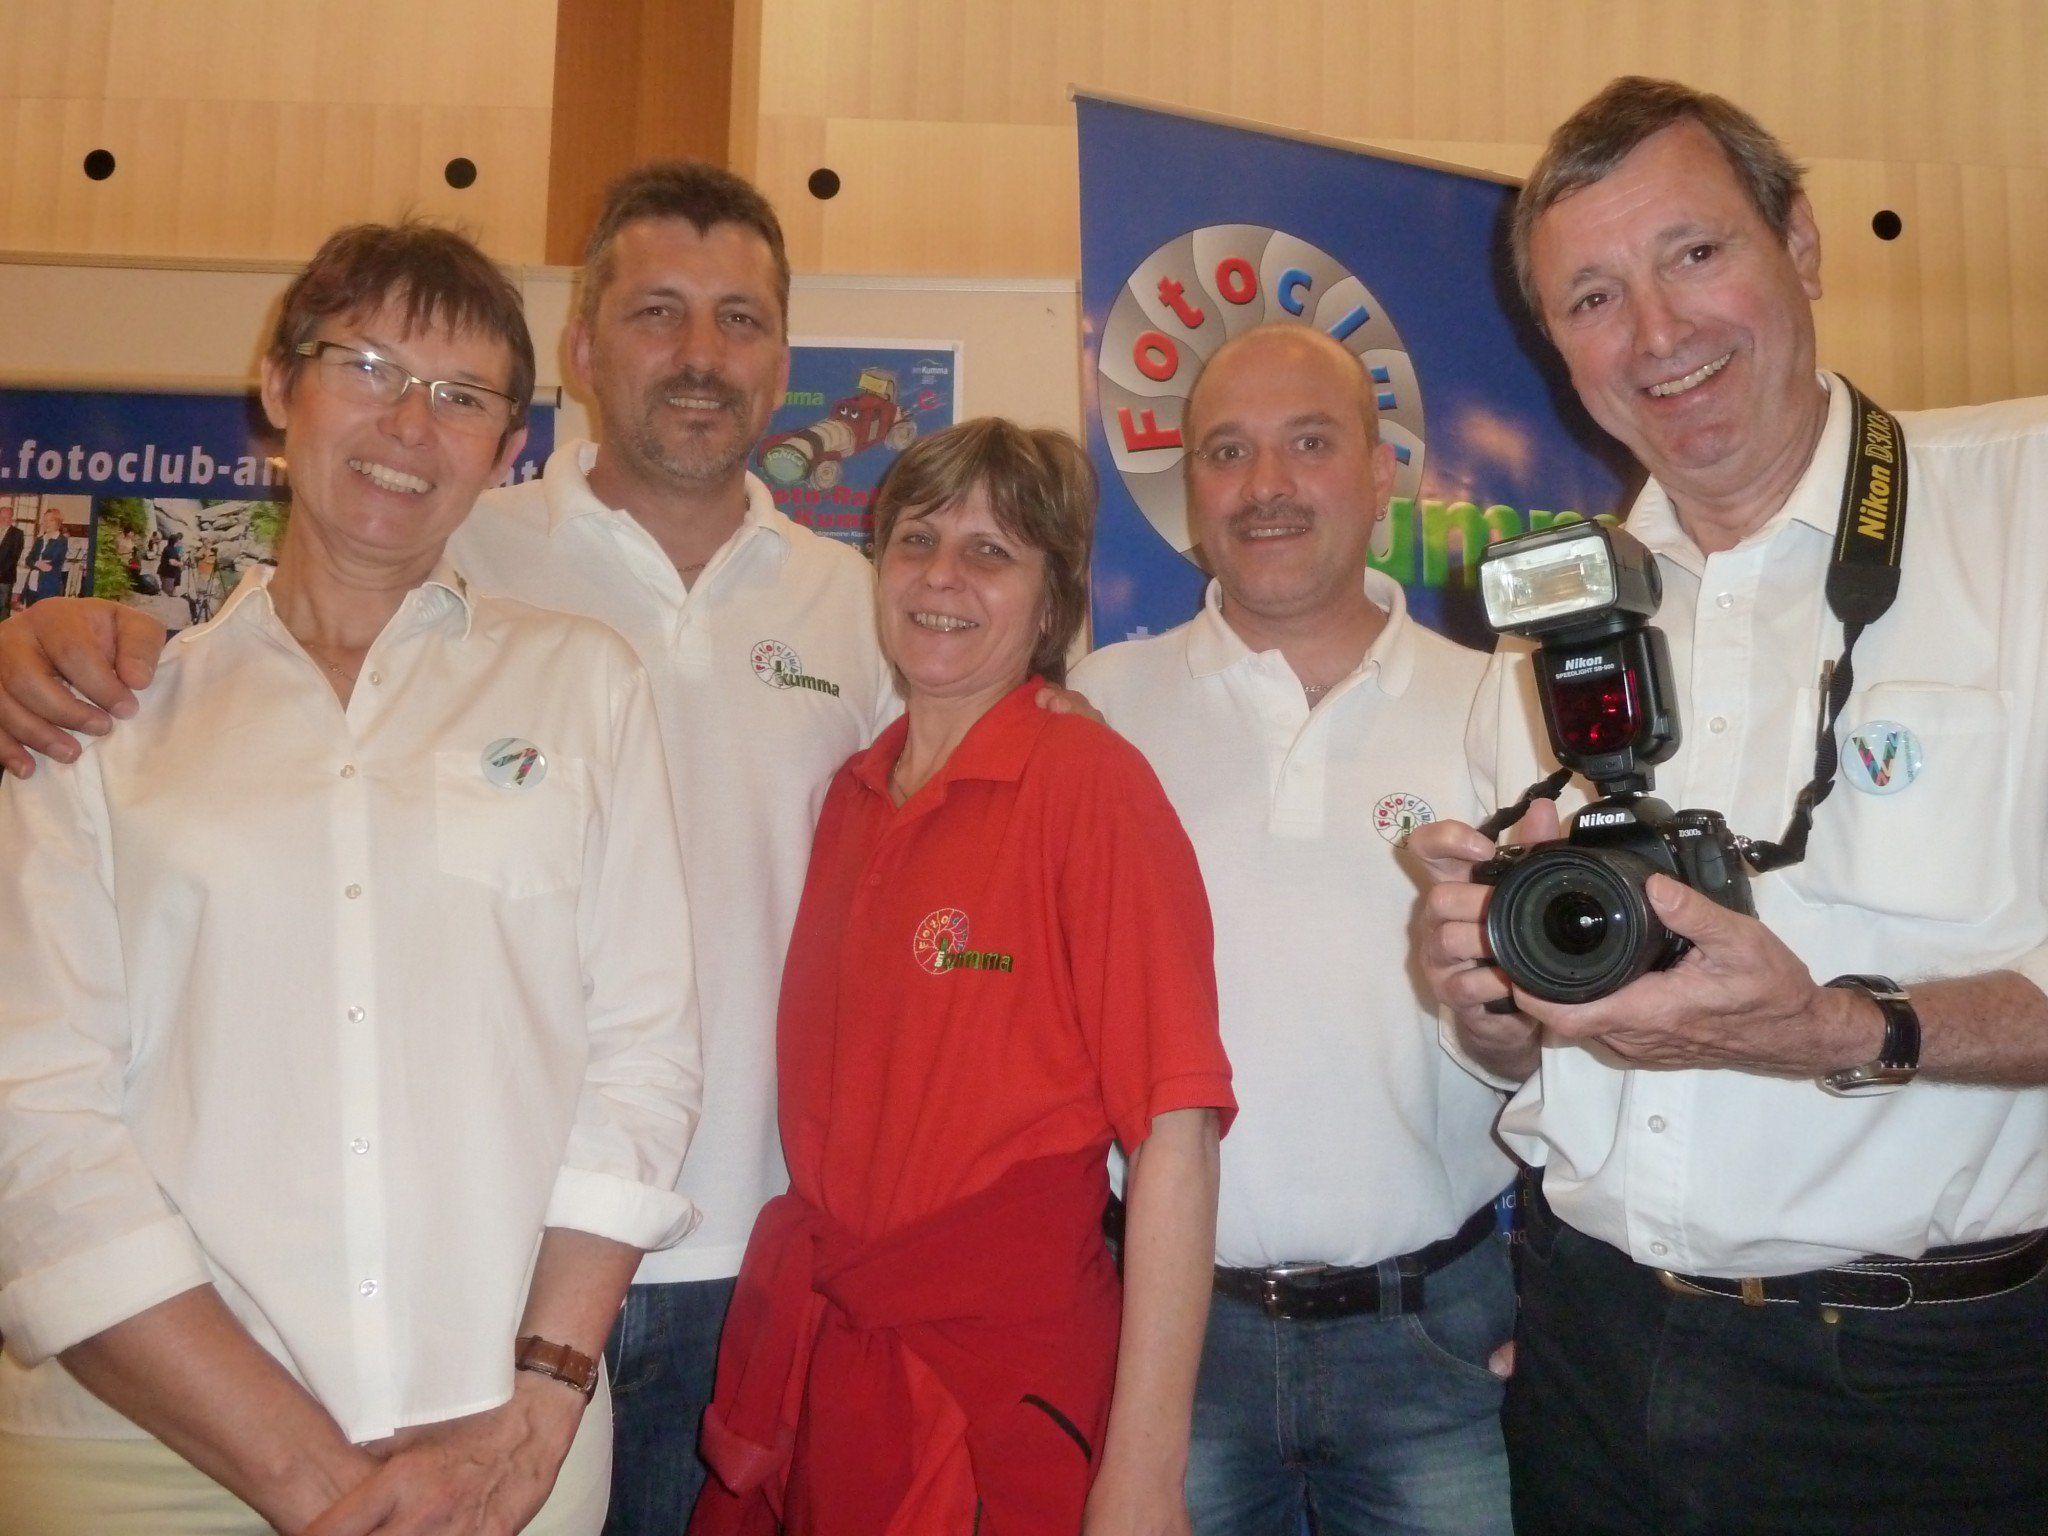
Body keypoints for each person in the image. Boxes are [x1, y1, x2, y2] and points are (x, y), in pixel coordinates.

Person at [1412, 76, 2048, 1534]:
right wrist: (1486, 1001)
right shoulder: (1543, 636)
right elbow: (1521, 1059)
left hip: (1925, 1387)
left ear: (1801, 244)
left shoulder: (2024, 511)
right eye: (1591, 297)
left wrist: (1836, 1028)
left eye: (1693, 253)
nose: (1655, 334)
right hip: (1591, 1351)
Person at [0, 222, 704, 1536]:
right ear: (280, 384)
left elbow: (642, 1059)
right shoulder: (103, 713)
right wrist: (315, 1483)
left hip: (501, 1452)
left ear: (508, 447)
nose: (410, 425)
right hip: (147, 1457)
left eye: (462, 396)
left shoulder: (581, 684)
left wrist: (542, 1400)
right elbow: (36, 1120)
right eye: (368, 366)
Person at [690, 418, 1235, 1536]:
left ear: (1052, 603)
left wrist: (1144, 1471)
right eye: (916, 540)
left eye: (991, 551)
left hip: (1002, 1391)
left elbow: (1176, 1135)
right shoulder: (852, 794)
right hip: (840, 1365)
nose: (942, 575)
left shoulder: (1088, 784)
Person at [1071, 323, 1515, 1536]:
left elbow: (1588, 1047)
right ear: (1189, 489)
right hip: (1164, 1350)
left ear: (1382, 473)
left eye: (1308, 444)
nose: (1264, 485)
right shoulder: (1099, 709)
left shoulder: (1498, 708)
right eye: (1227, 451)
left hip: (1440, 1346)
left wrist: (1578, 1309)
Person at [23, 508, 70, 606]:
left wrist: (34, 562)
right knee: (31, 613)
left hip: (49, 587)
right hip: (32, 584)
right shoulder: (39, 540)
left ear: (58, 522)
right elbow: (28, 560)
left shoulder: (61, 541)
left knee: (45, 614)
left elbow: (50, 563)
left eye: (50, 520)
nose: (46, 523)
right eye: (44, 520)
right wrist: (36, 563)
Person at [0, 517, 21, 613]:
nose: (4, 519)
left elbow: (14, 557)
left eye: (7, 517)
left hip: (5, 577)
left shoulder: (17, 533)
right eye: (2, 517)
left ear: (11, 518)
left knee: (3, 605)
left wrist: (1, 572)